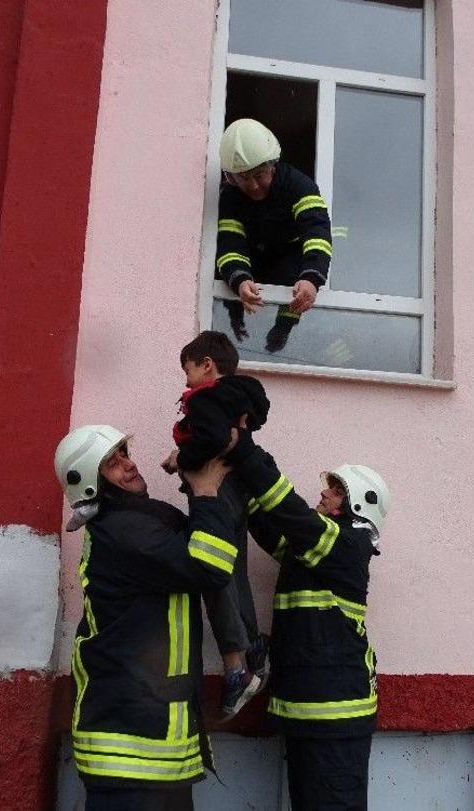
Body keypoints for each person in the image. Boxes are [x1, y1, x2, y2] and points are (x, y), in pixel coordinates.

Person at [54, 424, 241, 811]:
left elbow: (204, 537)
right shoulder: (124, 531)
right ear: (90, 483)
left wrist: (194, 478)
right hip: (132, 757)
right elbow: (210, 565)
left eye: (124, 452)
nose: (129, 464)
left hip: (149, 751)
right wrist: (206, 490)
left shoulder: (136, 521)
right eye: (112, 462)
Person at [226, 432, 390, 810]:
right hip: (309, 717)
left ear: (354, 505)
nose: (324, 494)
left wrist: (244, 448)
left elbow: (290, 513)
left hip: (335, 723)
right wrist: (229, 474)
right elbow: (268, 522)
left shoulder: (347, 547)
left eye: (334, 490)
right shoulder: (314, 550)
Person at [162, 330, 271, 718]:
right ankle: (254, 648)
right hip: (238, 490)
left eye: (187, 370)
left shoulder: (207, 400)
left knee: (215, 575)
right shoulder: (241, 397)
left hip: (216, 492)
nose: (185, 379)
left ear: (207, 365)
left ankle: (237, 670)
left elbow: (210, 439)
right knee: (235, 570)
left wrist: (180, 458)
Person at [216, 118, 333, 353]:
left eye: (259, 175)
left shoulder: (299, 185)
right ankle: (235, 323)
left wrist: (312, 279)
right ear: (230, 177)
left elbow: (317, 231)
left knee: (294, 270)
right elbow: (230, 243)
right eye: (244, 178)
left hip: (291, 256)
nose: (254, 186)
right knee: (226, 272)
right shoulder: (230, 197)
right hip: (254, 254)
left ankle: (284, 327)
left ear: (273, 165)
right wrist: (240, 281)